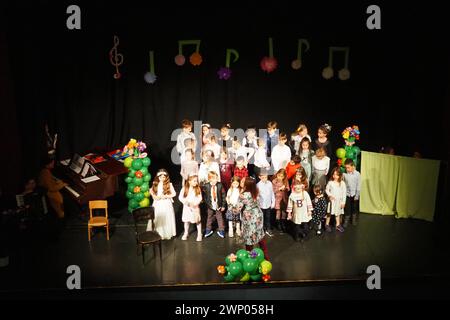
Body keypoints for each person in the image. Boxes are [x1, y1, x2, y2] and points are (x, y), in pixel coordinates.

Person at [237, 177, 269, 260]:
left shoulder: (243, 195)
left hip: (249, 217)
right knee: (260, 234)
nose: (241, 181)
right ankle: (266, 257)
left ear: (247, 184)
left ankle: (250, 258)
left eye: (243, 181)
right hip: (258, 214)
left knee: (249, 236)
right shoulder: (255, 191)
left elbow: (237, 209)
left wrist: (230, 207)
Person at [148, 169, 176, 240]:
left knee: (166, 217)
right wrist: (154, 196)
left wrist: (166, 196)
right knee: (158, 216)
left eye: (164, 177)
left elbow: (174, 193)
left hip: (166, 203)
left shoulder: (169, 184)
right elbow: (151, 191)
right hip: (157, 203)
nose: (162, 178)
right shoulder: (155, 184)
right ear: (158, 177)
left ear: (166, 177)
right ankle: (158, 233)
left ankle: (166, 233)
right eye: (160, 177)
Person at [202, 171, 227, 239]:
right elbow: (204, 196)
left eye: (216, 178)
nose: (216, 180)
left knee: (219, 217)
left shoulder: (220, 185)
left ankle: (221, 230)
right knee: (209, 217)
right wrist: (207, 204)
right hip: (210, 205)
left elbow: (224, 195)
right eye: (214, 178)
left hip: (218, 205)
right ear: (210, 179)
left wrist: (223, 205)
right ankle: (208, 229)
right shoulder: (206, 186)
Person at [179, 175, 203, 241]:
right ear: (189, 182)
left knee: (197, 220)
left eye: (196, 181)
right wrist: (186, 202)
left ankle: (199, 234)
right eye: (194, 181)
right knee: (186, 221)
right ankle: (186, 232)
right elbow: (180, 197)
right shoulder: (184, 188)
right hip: (187, 208)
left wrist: (195, 203)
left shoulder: (197, 188)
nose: (196, 182)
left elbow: (200, 198)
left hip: (195, 208)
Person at [325, 168, 347, 233]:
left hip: (339, 202)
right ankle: (327, 224)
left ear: (340, 175)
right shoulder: (330, 182)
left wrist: (343, 202)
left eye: (337, 175)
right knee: (329, 213)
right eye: (334, 174)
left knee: (338, 213)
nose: (335, 176)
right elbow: (326, 190)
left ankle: (338, 225)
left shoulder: (342, 183)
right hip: (332, 201)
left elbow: (344, 193)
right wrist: (329, 195)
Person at [257, 170, 275, 237]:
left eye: (266, 177)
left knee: (268, 217)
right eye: (263, 177)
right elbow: (257, 196)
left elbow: (272, 193)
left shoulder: (269, 183)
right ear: (259, 177)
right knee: (261, 217)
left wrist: (273, 202)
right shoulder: (258, 185)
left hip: (268, 204)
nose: (265, 179)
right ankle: (261, 229)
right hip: (261, 205)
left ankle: (268, 228)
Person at [343, 159, 361, 227]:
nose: (347, 169)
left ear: (353, 166)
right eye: (346, 168)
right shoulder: (345, 174)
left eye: (348, 167)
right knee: (347, 208)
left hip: (354, 194)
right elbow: (344, 184)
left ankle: (353, 219)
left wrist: (357, 195)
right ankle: (346, 220)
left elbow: (358, 185)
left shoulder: (357, 174)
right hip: (347, 194)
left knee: (354, 207)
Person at [272, 168, 290, 233]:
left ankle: (283, 223)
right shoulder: (274, 181)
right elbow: (273, 191)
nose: (280, 177)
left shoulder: (285, 181)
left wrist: (285, 188)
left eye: (282, 176)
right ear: (277, 174)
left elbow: (288, 188)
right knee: (278, 211)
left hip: (284, 198)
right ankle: (278, 224)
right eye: (279, 175)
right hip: (277, 198)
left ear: (284, 176)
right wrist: (279, 189)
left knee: (284, 212)